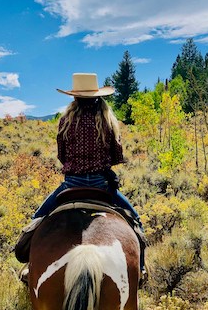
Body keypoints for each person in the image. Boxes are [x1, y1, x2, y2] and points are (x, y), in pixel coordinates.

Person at [16, 73, 146, 275]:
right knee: (136, 221)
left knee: (37, 219)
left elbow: (61, 154)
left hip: (71, 185)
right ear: (97, 97)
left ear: (74, 97)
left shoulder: (66, 120)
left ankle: (30, 268)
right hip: (101, 185)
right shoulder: (107, 120)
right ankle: (142, 269)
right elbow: (117, 155)